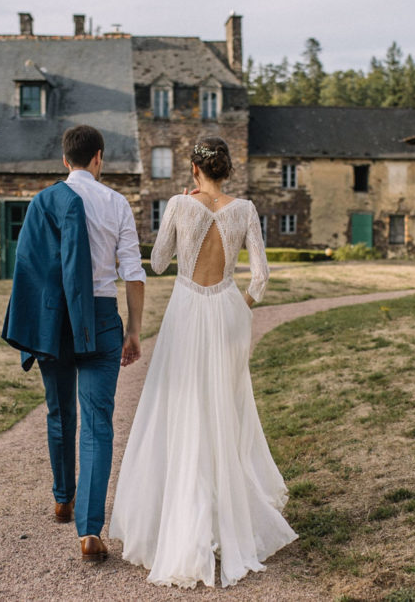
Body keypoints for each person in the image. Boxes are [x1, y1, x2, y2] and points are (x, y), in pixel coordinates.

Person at [110, 136, 297, 588]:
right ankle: (225, 516)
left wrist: (175, 222)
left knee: (181, 408)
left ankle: (184, 521)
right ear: (225, 170)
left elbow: (156, 264)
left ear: (195, 169)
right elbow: (263, 276)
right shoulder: (245, 209)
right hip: (227, 310)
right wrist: (241, 304)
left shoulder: (179, 204)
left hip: (188, 310)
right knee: (224, 411)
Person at [2, 125, 145, 561]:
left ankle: (62, 499)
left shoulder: (43, 202)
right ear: (99, 157)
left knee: (60, 411)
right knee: (99, 422)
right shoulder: (117, 203)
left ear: (66, 160)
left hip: (54, 320)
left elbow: (27, 266)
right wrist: (134, 330)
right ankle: (90, 532)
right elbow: (133, 274)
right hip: (100, 318)